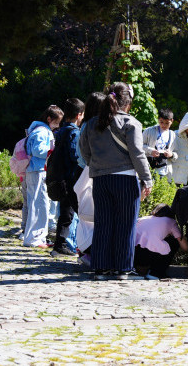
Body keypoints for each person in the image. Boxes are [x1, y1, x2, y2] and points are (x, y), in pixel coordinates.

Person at [79, 82, 153, 280]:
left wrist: (98, 165)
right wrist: (147, 179)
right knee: (125, 225)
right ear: (127, 103)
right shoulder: (131, 123)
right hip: (125, 180)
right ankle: (123, 269)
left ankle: (101, 268)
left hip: (100, 180)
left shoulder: (92, 123)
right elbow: (138, 154)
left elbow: (85, 151)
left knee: (103, 224)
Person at [23, 105, 63, 248]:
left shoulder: (37, 129)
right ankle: (35, 239)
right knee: (40, 204)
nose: (57, 126)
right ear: (49, 119)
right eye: (57, 123)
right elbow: (38, 150)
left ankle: (34, 237)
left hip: (34, 170)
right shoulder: (42, 131)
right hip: (38, 170)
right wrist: (54, 150)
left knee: (37, 204)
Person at [74, 92, 107, 267]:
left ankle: (85, 251)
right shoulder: (91, 127)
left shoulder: (86, 125)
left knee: (86, 214)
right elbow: (86, 154)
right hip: (88, 171)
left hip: (84, 170)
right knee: (90, 212)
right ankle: (88, 252)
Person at [50, 98, 85, 257]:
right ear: (79, 115)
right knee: (70, 213)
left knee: (65, 212)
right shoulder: (74, 132)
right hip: (71, 178)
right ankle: (63, 245)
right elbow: (75, 156)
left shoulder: (61, 130)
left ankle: (60, 244)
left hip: (60, 177)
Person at [133, 204, 188, 279]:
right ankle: (156, 273)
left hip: (133, 255)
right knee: (174, 241)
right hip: (148, 256)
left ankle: (135, 270)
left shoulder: (142, 219)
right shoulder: (171, 221)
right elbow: (185, 247)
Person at [142, 108, 176, 180]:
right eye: (161, 122)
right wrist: (150, 151)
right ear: (158, 120)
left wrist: (171, 154)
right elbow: (138, 146)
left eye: (167, 123)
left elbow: (177, 153)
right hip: (148, 167)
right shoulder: (149, 131)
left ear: (172, 121)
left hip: (164, 169)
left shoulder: (173, 135)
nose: (164, 125)